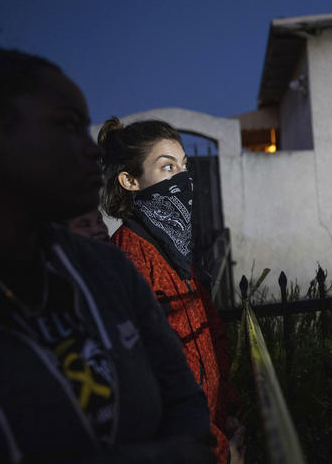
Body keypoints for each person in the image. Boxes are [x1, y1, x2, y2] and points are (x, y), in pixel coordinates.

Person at [0, 47, 214, 462]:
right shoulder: (130, 254)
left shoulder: (106, 271)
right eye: (67, 126)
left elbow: (186, 398)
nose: (91, 150)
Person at [99, 117, 244, 464]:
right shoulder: (127, 262)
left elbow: (210, 338)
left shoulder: (177, 254)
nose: (182, 179)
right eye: (167, 168)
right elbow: (149, 390)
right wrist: (219, 452)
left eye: (184, 167)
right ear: (130, 180)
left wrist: (228, 411)